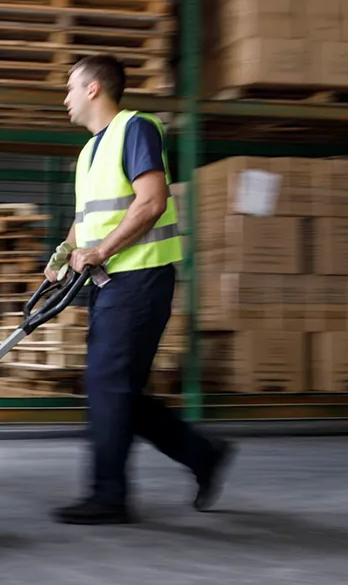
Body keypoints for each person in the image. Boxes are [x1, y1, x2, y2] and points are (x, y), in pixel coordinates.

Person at [44, 55, 234, 525]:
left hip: (141, 277)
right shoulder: (90, 151)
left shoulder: (137, 128)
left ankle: (109, 495)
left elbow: (151, 202)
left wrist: (99, 251)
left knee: (107, 382)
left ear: (93, 89)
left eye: (70, 88)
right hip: (111, 280)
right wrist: (63, 252)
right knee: (116, 386)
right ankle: (202, 453)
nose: (64, 98)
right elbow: (89, 217)